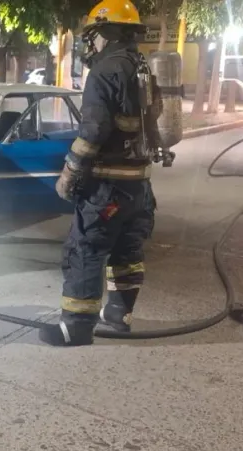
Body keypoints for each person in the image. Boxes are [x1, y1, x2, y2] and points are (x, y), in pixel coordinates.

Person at [39, 0, 155, 346]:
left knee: (85, 250)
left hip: (107, 186)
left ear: (105, 32)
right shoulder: (142, 66)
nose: (91, 44)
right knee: (127, 253)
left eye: (93, 36)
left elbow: (93, 132)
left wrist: (70, 173)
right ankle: (119, 317)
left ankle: (75, 327)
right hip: (139, 186)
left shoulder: (105, 71)